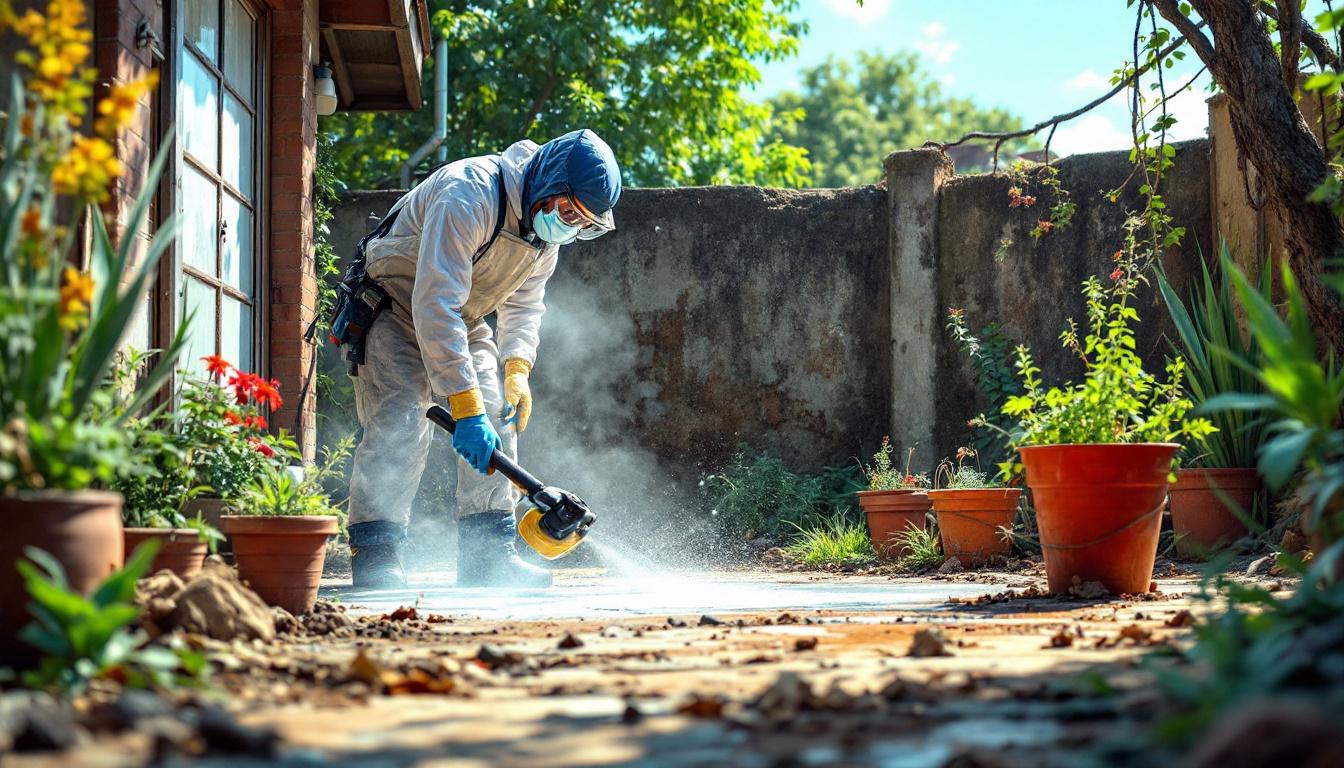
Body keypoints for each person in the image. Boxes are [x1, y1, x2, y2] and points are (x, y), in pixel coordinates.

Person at [344, 129, 621, 589]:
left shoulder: (544, 235)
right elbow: (435, 303)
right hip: (392, 308)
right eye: (569, 211)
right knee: (400, 421)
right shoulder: (468, 192)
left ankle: (487, 557)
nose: (570, 225)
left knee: (498, 417)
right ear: (547, 182)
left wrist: (517, 368)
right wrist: (463, 406)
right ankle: (376, 551)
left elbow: (524, 305)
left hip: (464, 319)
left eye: (582, 221)